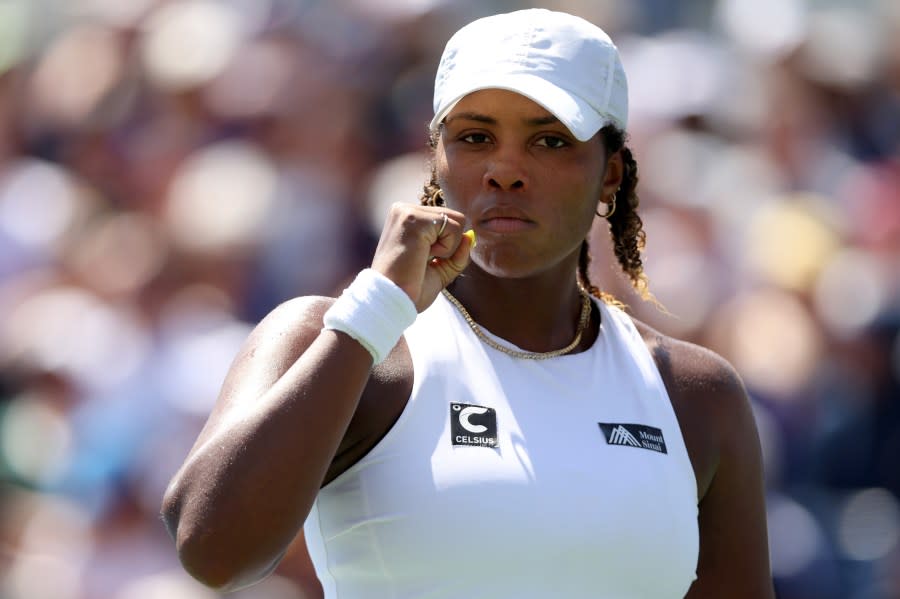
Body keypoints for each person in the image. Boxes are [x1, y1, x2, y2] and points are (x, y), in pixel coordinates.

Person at [161, 8, 774, 598]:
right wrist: (374, 311)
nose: (505, 171)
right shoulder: (333, 337)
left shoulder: (696, 395)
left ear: (611, 173)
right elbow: (211, 550)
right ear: (437, 156)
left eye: (550, 141)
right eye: (476, 136)